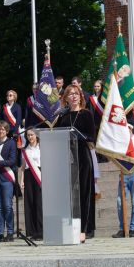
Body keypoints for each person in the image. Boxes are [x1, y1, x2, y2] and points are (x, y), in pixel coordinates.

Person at [55, 85, 96, 242]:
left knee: (84, 193)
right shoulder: (63, 116)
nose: (73, 96)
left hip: (83, 157)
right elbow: (57, 136)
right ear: (65, 98)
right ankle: (70, 227)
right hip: (68, 158)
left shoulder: (86, 114)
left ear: (80, 96)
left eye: (76, 93)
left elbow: (92, 136)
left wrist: (78, 136)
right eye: (70, 94)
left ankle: (85, 228)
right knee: (70, 195)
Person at [112, 122, 134, 238]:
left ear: (131, 129)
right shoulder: (121, 143)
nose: (126, 131)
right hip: (124, 174)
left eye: (128, 129)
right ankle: (122, 228)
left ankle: (132, 229)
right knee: (120, 202)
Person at [19, 127, 42, 240]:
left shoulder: (42, 147)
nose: (30, 137)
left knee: (39, 203)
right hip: (28, 176)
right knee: (30, 202)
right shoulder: (25, 150)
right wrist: (22, 180)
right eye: (28, 135)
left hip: (39, 174)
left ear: (36, 135)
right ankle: (32, 232)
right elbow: (23, 167)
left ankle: (41, 231)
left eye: (32, 135)